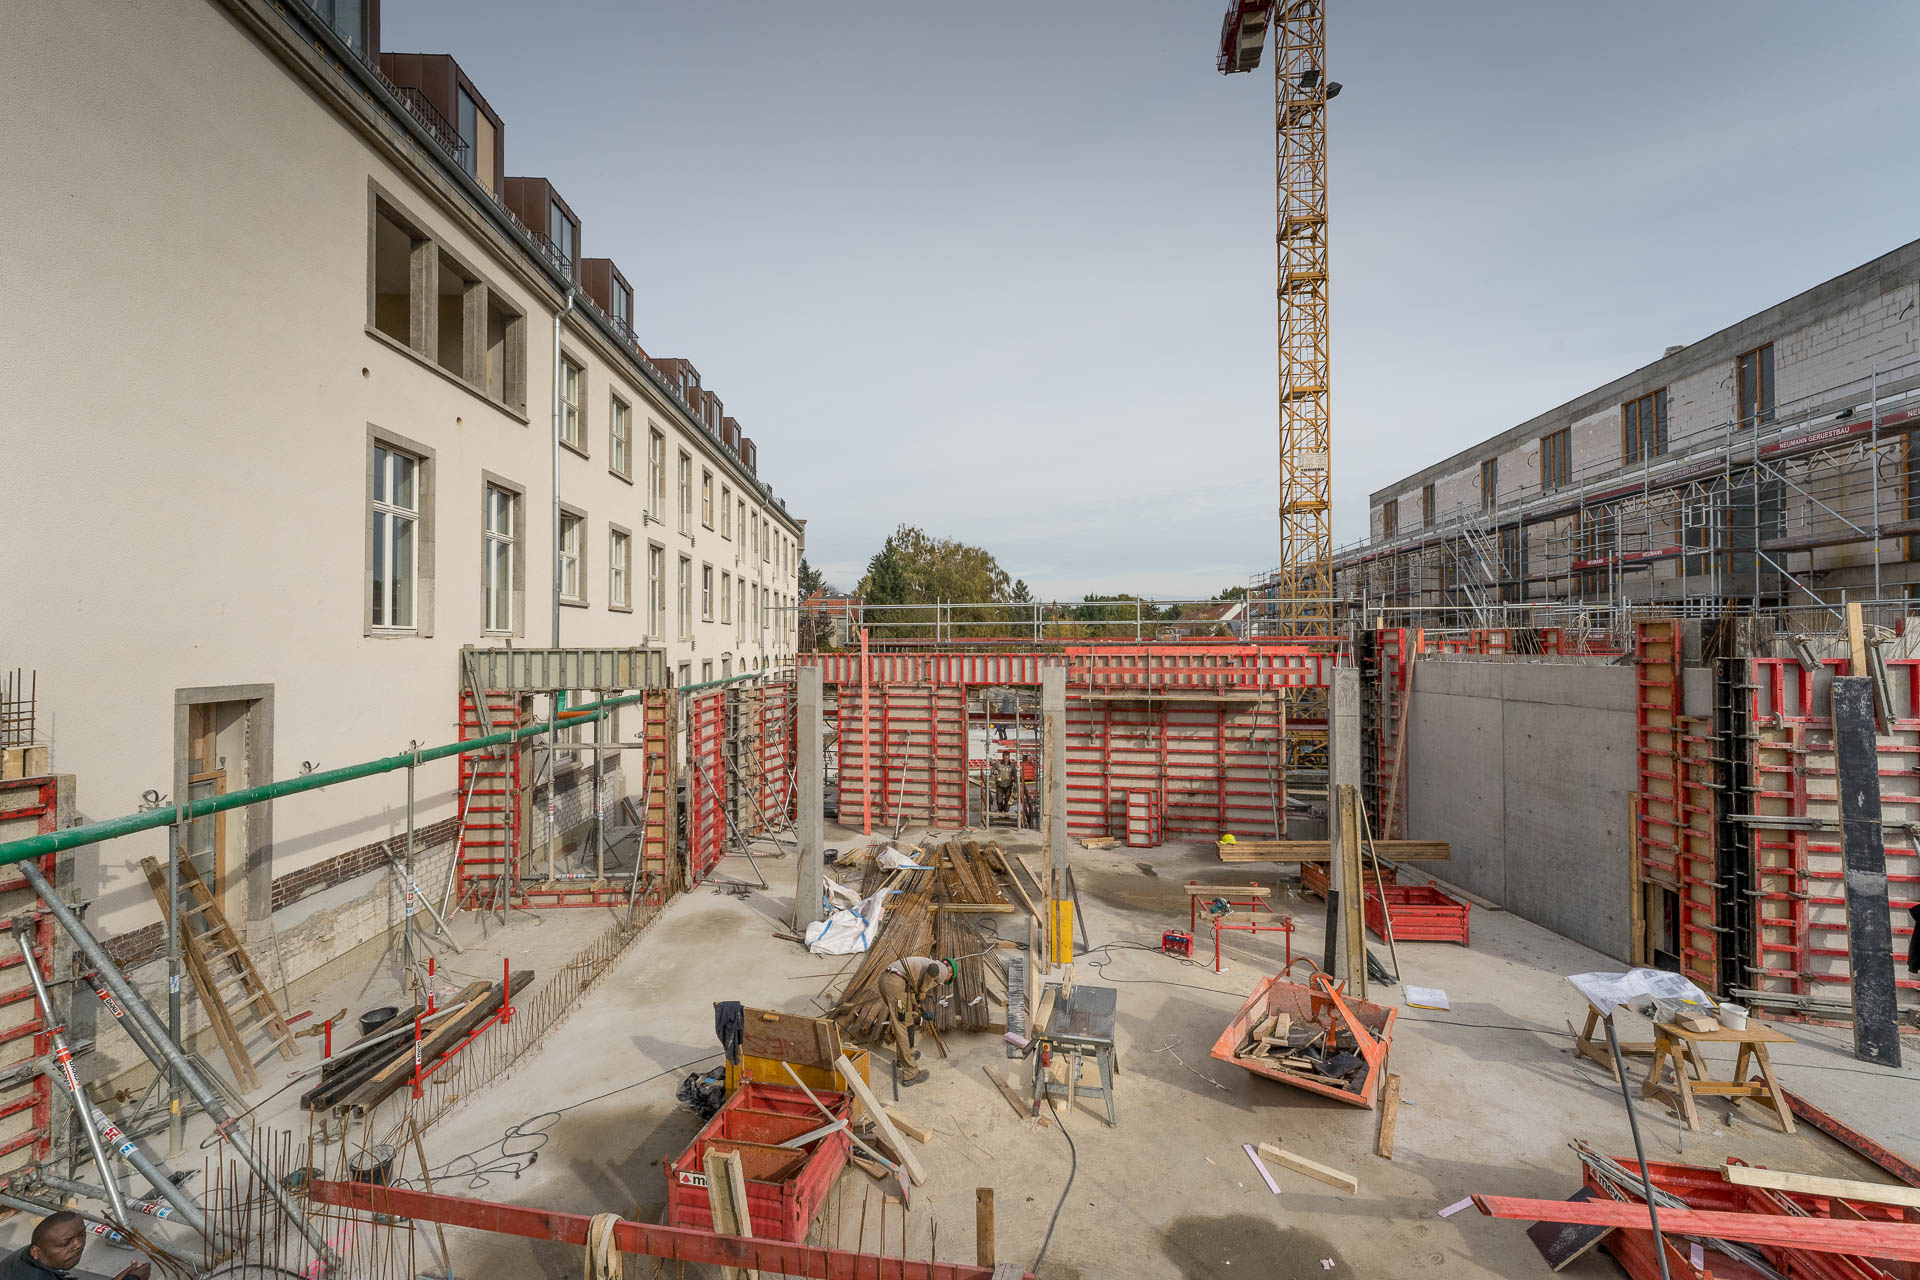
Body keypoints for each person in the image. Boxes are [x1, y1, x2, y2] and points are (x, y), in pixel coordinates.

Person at [0, 1211, 148, 1279]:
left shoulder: (27, 1257)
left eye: (81, 1235)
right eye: (64, 1243)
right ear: (36, 1252)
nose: (78, 1245)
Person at [877, 955, 952, 1084]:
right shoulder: (943, 969)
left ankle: (905, 1057)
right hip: (895, 983)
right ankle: (910, 1073)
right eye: (949, 979)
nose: (944, 981)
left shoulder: (920, 967)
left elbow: (912, 996)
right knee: (903, 1027)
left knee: (907, 1022)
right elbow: (933, 969)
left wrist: (921, 1011)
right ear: (950, 973)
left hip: (888, 981)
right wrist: (923, 991)